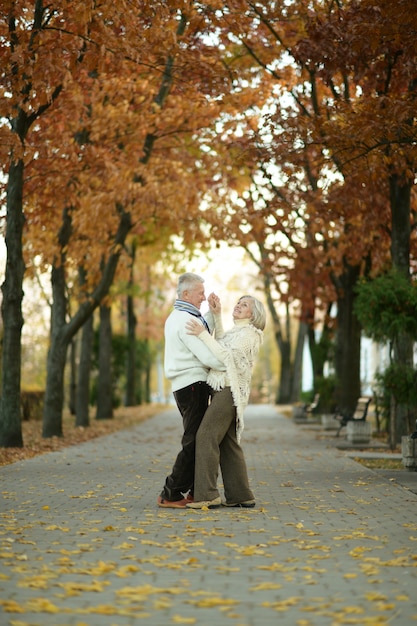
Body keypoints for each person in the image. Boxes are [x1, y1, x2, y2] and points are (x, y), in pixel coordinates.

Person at [185, 293, 266, 509]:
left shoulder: (250, 335)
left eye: (245, 304)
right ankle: (240, 494)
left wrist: (203, 334)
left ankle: (207, 495)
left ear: (253, 314)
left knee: (206, 436)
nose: (239, 305)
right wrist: (217, 315)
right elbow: (222, 344)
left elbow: (224, 357)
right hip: (224, 390)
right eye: (239, 303)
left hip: (229, 392)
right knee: (228, 444)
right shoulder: (238, 332)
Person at [157, 273, 226, 508]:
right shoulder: (184, 320)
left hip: (188, 385)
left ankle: (196, 491)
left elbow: (202, 329)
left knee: (198, 439)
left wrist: (215, 315)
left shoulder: (181, 317)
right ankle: (171, 492)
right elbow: (206, 353)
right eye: (200, 293)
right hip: (193, 385)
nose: (204, 297)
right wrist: (230, 364)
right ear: (186, 294)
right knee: (195, 441)